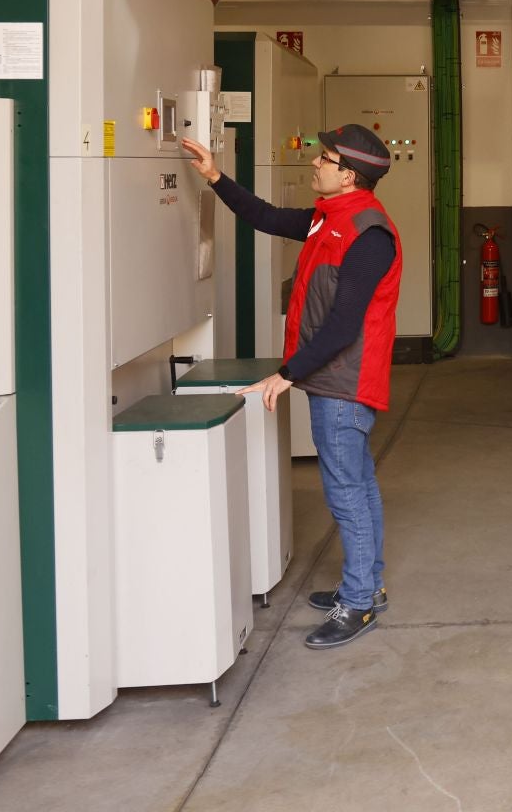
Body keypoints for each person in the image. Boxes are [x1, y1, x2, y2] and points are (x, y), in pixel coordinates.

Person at [181, 123, 402, 650]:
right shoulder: (327, 219)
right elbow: (264, 216)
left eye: (324, 159)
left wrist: (286, 373)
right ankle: (368, 583)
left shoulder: (368, 234)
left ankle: (360, 602)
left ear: (349, 175)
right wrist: (215, 176)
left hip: (345, 385)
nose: (314, 164)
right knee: (359, 483)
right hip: (331, 378)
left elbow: (344, 324)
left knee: (347, 492)